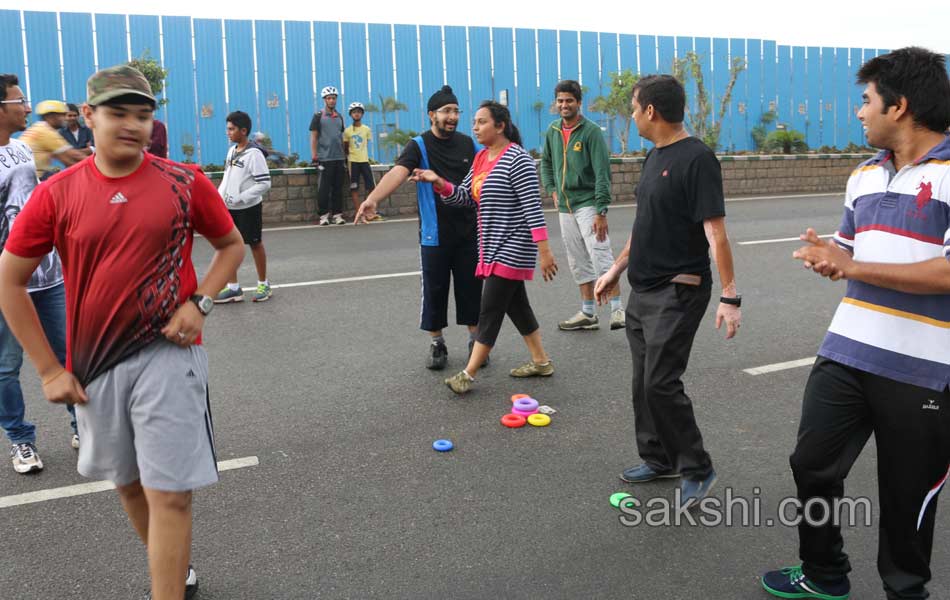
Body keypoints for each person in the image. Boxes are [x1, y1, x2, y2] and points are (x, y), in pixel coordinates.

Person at [0, 64, 244, 600]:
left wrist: (200, 304)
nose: (131, 124)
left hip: (169, 354)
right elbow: (10, 280)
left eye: (143, 113)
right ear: (87, 117)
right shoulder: (56, 193)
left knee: (172, 495)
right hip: (94, 365)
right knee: (129, 482)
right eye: (117, 112)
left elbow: (231, 246)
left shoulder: (184, 182)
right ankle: (174, 569)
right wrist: (48, 370)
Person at [761, 47, 950, 600]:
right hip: (847, 350)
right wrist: (828, 253)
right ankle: (823, 573)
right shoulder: (864, 174)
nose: (860, 112)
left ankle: (905, 591)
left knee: (905, 495)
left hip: (925, 370)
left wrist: (854, 264)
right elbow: (850, 250)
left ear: (900, 106)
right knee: (812, 465)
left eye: (866, 101)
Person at [594, 75, 741, 508]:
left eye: (634, 108)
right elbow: (645, 227)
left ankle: (698, 467)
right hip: (644, 289)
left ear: (651, 111)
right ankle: (659, 458)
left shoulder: (697, 159)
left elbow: (716, 233)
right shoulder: (654, 157)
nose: (633, 115)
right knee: (643, 382)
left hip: (680, 289)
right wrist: (615, 269)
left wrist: (730, 296)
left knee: (660, 382)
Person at [412, 101, 558, 394]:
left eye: (481, 122)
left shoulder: (518, 159)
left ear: (500, 126)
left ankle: (468, 373)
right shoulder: (481, 160)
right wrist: (437, 181)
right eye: (474, 122)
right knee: (518, 307)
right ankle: (541, 361)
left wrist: (545, 252)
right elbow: (465, 196)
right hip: (490, 246)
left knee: (489, 310)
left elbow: (533, 209)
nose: (474, 127)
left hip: (514, 247)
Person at [355, 85, 483, 370]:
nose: (452, 117)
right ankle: (437, 342)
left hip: (469, 232)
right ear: (431, 115)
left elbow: (489, 167)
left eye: (455, 111)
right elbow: (398, 172)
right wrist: (373, 199)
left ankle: (476, 340)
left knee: (471, 288)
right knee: (435, 290)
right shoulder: (419, 145)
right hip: (434, 234)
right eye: (446, 111)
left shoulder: (468, 145)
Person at [0, 74, 78, 473]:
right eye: (19, 100)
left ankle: (83, 425)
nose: (26, 108)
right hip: (6, 285)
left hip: (49, 277)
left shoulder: (22, 150)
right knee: (5, 367)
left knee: (71, 354)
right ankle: (21, 441)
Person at [541, 80, 624, 332]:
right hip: (565, 206)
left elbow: (602, 173)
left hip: (588, 204)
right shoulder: (553, 130)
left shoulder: (591, 132)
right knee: (577, 259)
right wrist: (552, 189)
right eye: (560, 101)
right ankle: (588, 312)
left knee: (600, 254)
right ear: (556, 104)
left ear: (579, 102)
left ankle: (618, 309)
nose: (564, 105)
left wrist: (601, 210)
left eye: (569, 100)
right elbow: (545, 164)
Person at [214, 110, 273, 304]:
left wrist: (241, 198)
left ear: (244, 130)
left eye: (231, 129)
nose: (227, 132)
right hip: (228, 208)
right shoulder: (232, 151)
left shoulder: (254, 154)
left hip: (248, 208)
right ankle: (233, 288)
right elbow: (227, 177)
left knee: (255, 243)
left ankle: (263, 283)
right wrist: (219, 196)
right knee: (229, 246)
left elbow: (264, 183)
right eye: (227, 129)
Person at [20, 100, 85, 180]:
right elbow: (75, 155)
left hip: (28, 177)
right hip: (36, 179)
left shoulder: (38, 127)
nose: (65, 118)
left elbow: (65, 159)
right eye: (62, 115)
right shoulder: (46, 131)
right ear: (51, 116)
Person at [310, 86, 346, 225]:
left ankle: (337, 215)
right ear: (324, 100)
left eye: (334, 98)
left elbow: (340, 137)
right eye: (329, 98)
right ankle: (324, 215)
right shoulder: (318, 116)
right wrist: (314, 156)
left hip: (339, 158)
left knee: (338, 188)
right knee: (323, 189)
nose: (331, 100)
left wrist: (344, 155)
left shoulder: (340, 117)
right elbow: (314, 137)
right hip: (324, 158)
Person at [344, 101, 380, 220]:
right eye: (354, 112)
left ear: (362, 114)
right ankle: (359, 213)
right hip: (353, 162)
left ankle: (370, 212)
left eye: (359, 112)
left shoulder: (367, 129)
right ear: (351, 114)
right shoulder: (347, 131)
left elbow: (366, 144)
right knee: (354, 188)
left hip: (364, 161)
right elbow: (345, 148)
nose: (357, 114)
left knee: (371, 187)